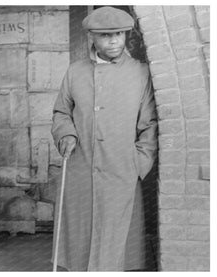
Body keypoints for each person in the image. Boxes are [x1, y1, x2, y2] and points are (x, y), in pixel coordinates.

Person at [51, 6, 158, 271]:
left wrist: (138, 163)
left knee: (115, 241)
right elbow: (61, 112)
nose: (114, 41)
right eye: (106, 35)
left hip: (121, 168)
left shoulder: (140, 73)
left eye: (119, 34)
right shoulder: (75, 72)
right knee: (79, 233)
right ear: (92, 38)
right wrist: (66, 133)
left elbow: (150, 125)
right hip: (80, 167)